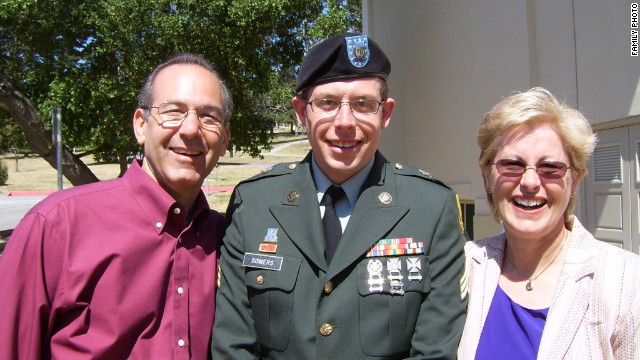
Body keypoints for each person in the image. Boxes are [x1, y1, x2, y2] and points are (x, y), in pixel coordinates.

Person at [212, 33, 467, 359]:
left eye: (363, 104)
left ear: (385, 114)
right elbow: (233, 347)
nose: (345, 122)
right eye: (327, 103)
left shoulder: (431, 208)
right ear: (302, 113)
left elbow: (434, 351)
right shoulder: (253, 204)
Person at [0, 53, 232, 359]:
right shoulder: (59, 224)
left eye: (208, 116)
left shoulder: (227, 237)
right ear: (140, 125)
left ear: (225, 139)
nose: (190, 129)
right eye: (172, 111)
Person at [458, 87, 640, 359]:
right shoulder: (466, 267)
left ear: (574, 180)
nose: (530, 182)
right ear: (487, 176)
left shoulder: (626, 281)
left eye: (550, 168)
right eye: (512, 164)